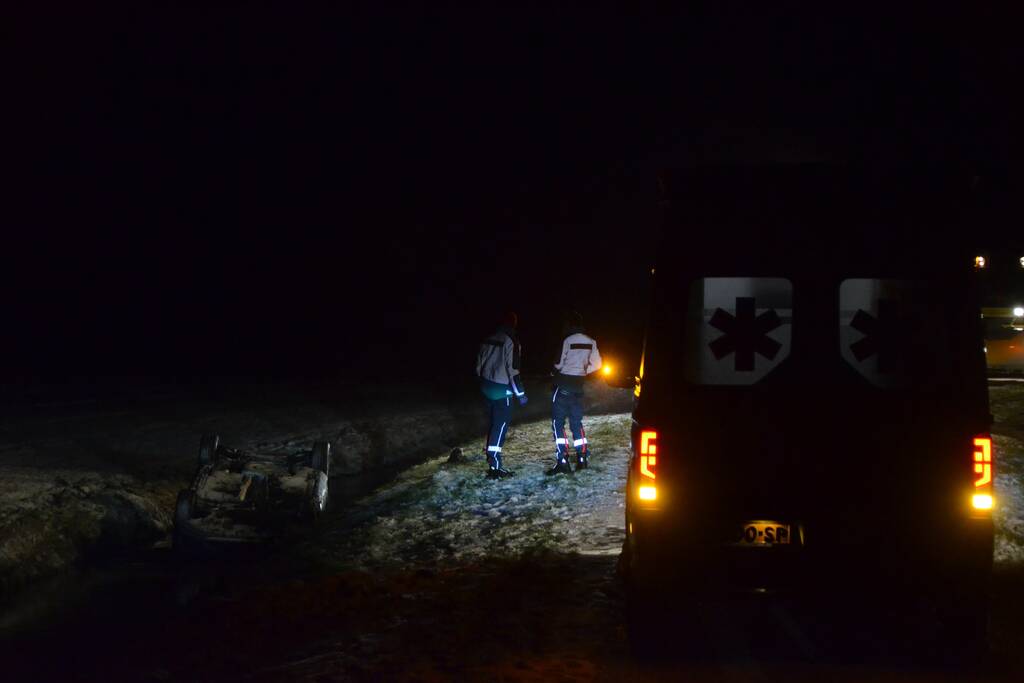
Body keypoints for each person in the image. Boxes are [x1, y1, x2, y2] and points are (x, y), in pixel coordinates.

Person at [547, 311, 602, 475]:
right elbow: (598, 365)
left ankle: (563, 461)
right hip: (578, 387)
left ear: (569, 324)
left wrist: (557, 372)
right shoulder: (591, 341)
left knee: (557, 423)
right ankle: (582, 458)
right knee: (576, 423)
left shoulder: (567, 340)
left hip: (562, 386)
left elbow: (558, 364)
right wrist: (583, 371)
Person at [475, 312, 527, 478]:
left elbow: (478, 365)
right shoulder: (511, 341)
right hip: (502, 391)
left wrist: (483, 382)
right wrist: (520, 394)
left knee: (493, 425)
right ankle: (495, 467)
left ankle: (492, 461)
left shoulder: (488, 338)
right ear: (513, 323)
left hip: (486, 387)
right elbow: (514, 371)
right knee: (500, 426)